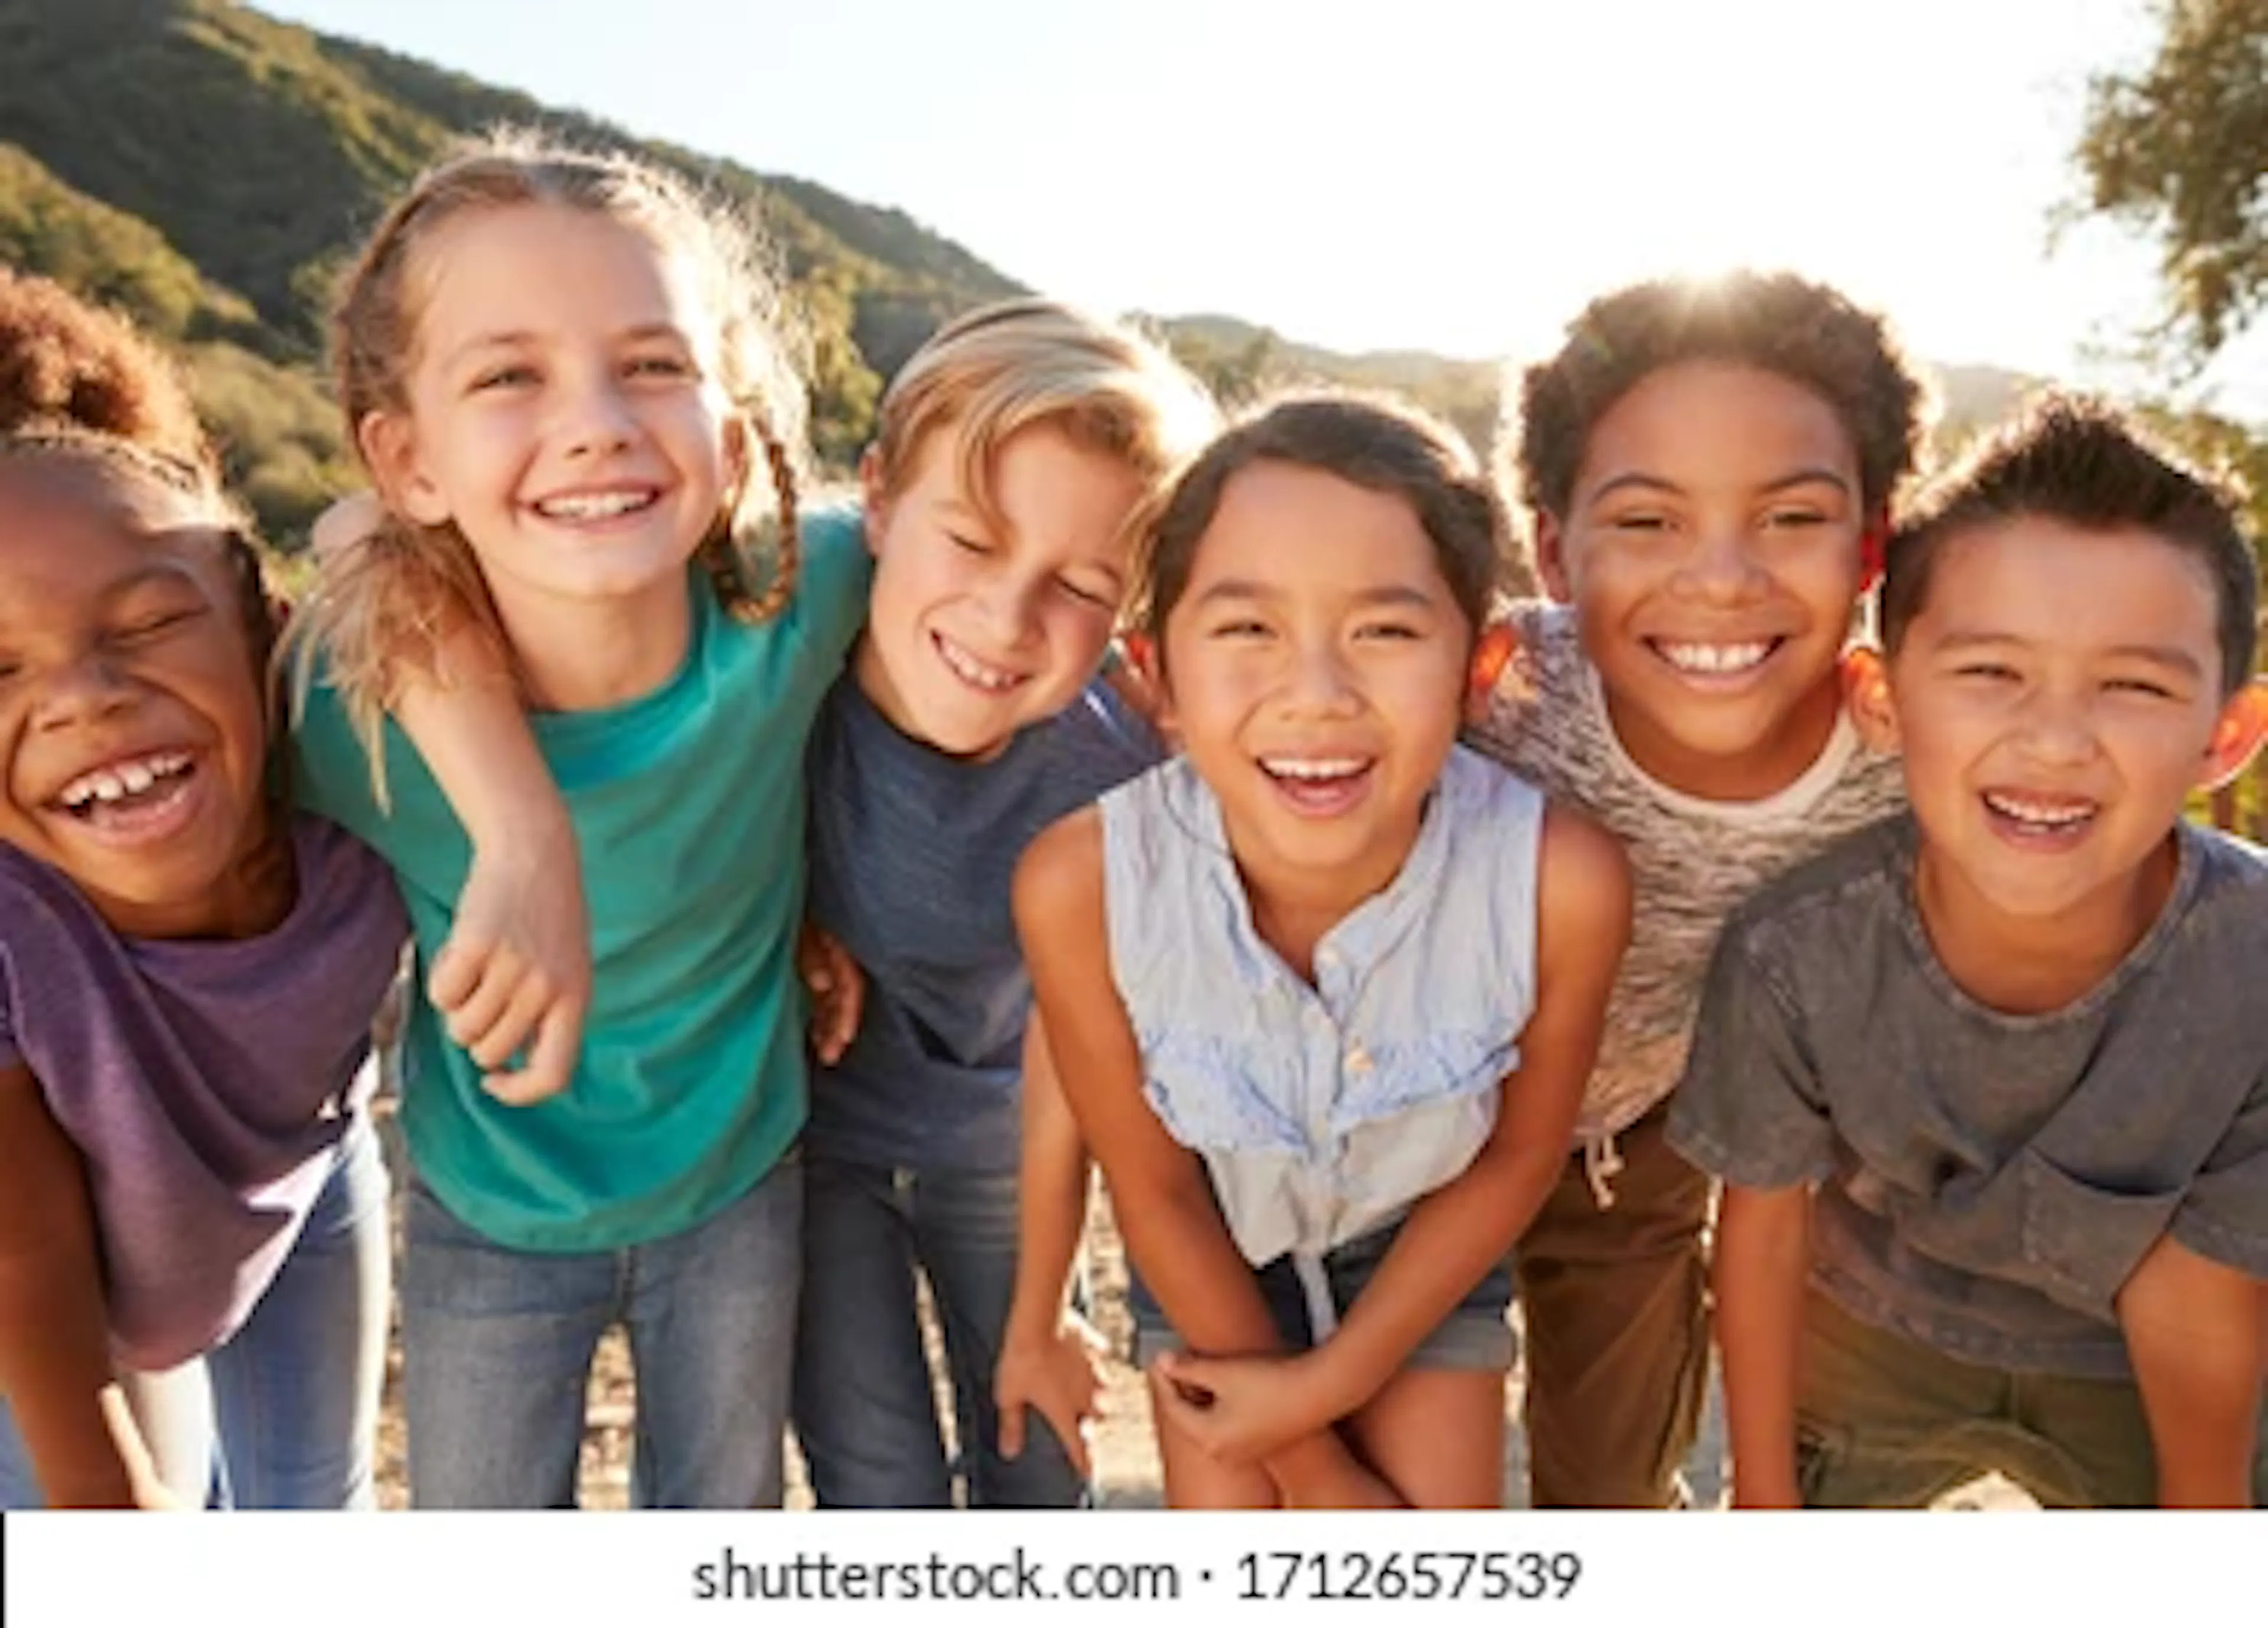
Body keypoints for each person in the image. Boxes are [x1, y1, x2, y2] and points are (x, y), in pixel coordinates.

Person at [284, 132, 870, 1508]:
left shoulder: (803, 601)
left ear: (734, 436)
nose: (600, 419)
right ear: (408, 457)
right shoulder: (343, 710)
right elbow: (342, 536)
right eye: (508, 376)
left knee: (721, 1531)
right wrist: (518, 824)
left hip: (739, 1179)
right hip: (493, 1206)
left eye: (654, 363)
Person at [1015, 394, 1630, 1508]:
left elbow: (1516, 1159)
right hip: (1211, 1250)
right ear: (1155, 673)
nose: (1317, 696)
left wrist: (1331, 1386)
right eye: (1248, 630)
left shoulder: (1558, 879)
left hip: (1424, 1244)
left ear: (1479, 666)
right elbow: (1152, 1187)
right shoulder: (1082, 883)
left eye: (1386, 632)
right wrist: (1310, 1465)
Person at [1672, 396, 2268, 1509]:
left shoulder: (2252, 967)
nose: (2054, 742)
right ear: (1882, 697)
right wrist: (1760, 1500)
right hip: (1871, 1327)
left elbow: (2212, 1284)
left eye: (2134, 686)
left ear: (2224, 736)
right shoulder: (1798, 953)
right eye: (1992, 673)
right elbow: (1757, 1230)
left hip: (2131, 1359)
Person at [1464, 269, 1930, 1505]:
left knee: (1607, 1489)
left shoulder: (1911, 757)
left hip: (1634, 1155)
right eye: (1649, 521)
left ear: (1872, 543)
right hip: (1404, 1144)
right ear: (1555, 551)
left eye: (1789, 517)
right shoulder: (1485, 691)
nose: (1721, 578)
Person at [793, 298, 1215, 1508]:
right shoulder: (787, 676)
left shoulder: (1124, 764)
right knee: (881, 1488)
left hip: (1011, 1147)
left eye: (1082, 583)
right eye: (973, 541)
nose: (1006, 616)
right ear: (877, 499)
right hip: (818, 1147)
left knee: (1040, 1468)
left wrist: (1065, 1301)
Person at [0, 269, 405, 1509]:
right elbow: (28, 1257)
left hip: (305, 1180)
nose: (81, 695)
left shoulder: (363, 794)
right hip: (60, 1291)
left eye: (146, 623)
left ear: (268, 631)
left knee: (311, 1515)